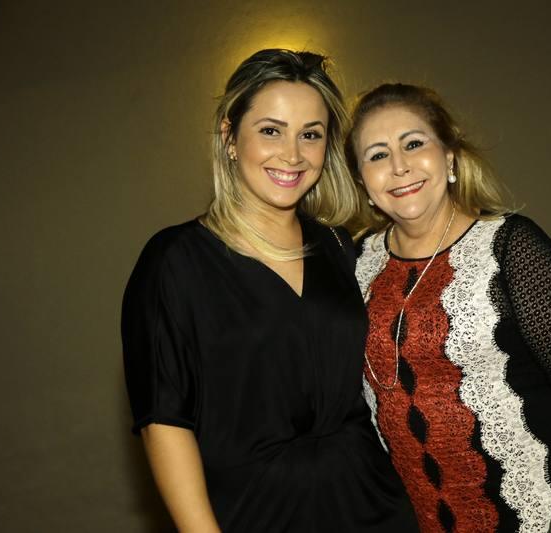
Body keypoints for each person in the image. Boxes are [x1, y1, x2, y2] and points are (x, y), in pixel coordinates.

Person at [121, 50, 419, 533]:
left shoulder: (339, 246)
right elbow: (164, 421)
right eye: (271, 131)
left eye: (311, 135)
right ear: (229, 137)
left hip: (375, 504)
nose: (293, 154)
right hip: (253, 512)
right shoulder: (174, 261)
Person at [345, 83, 551, 533]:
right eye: (378, 155)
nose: (399, 166)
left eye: (414, 144)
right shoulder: (358, 263)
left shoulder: (511, 248)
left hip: (539, 511)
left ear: (449, 157)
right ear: (362, 181)